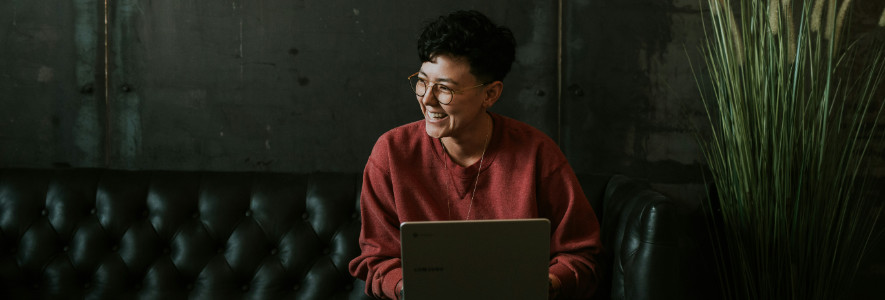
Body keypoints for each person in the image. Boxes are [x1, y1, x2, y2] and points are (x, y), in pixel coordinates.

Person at [348, 10, 601, 300]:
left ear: (490, 94)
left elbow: (582, 255)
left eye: (444, 88)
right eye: (421, 81)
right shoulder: (392, 152)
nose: (427, 99)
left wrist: (541, 284)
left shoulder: (538, 154)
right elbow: (377, 259)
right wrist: (411, 289)